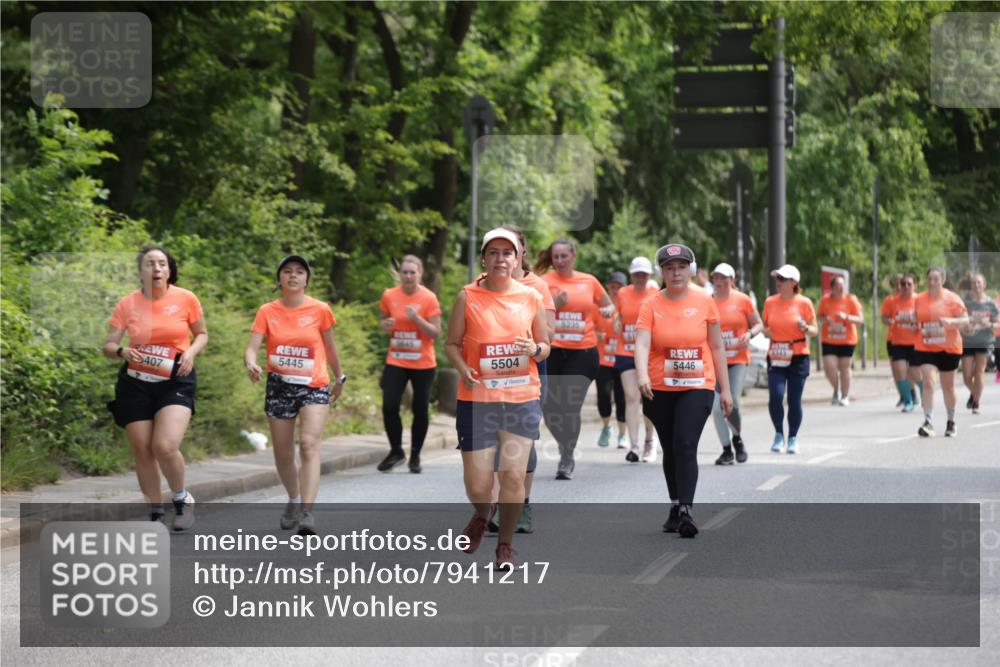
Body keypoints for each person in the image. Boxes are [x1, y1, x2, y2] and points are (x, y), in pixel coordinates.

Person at [446, 228, 550, 568]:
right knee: (478, 484)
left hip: (521, 397)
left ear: (517, 258)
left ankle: (504, 546)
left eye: (507, 253)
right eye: (494, 252)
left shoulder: (531, 297)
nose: (500, 258)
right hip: (477, 398)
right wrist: (463, 368)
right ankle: (482, 511)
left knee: (514, 477)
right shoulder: (467, 296)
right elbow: (451, 343)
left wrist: (534, 349)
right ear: (483, 258)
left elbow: (545, 346)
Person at [104, 247, 208, 530]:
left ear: (169, 270)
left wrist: (190, 353)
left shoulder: (185, 298)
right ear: (141, 271)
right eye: (151, 264)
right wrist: (123, 351)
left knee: (164, 445)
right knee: (142, 448)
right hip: (136, 383)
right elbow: (109, 345)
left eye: (162, 263)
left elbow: (201, 333)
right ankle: (155, 511)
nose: (157, 268)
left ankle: (181, 498)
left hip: (176, 378)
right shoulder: (128, 304)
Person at [635, 244, 732, 538]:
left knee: (686, 444)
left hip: (698, 384)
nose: (675, 273)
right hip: (659, 387)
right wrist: (641, 376)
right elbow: (641, 342)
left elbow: (716, 346)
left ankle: (687, 510)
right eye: (669, 268)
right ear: (661, 272)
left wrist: (725, 390)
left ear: (690, 269)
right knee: (670, 446)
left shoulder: (705, 302)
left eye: (680, 267)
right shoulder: (651, 304)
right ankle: (675, 505)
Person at [245, 255, 345, 535]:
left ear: (306, 279)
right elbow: (252, 346)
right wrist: (251, 362)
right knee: (283, 453)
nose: (293, 276)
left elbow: (330, 348)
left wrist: (340, 377)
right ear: (280, 278)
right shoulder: (267, 311)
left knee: (310, 445)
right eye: (287, 271)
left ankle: (307, 513)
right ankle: (294, 497)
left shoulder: (320, 309)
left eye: (299, 272)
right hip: (279, 386)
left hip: (314, 385)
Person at [536, 239, 615, 480]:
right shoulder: (544, 282)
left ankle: (567, 456)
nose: (559, 261)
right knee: (549, 408)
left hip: (583, 352)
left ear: (573, 256)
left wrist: (609, 311)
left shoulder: (588, 281)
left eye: (564, 256)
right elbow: (532, 313)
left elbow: (607, 304)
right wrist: (554, 305)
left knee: (570, 406)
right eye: (556, 257)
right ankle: (565, 444)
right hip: (553, 351)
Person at [377, 256, 442, 473]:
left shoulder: (429, 298)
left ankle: (415, 455)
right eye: (404, 272)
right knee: (389, 405)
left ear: (420, 274)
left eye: (412, 272)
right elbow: (383, 322)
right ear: (400, 274)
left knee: (420, 408)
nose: (408, 276)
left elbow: (435, 332)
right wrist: (385, 325)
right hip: (396, 358)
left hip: (423, 362)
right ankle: (396, 450)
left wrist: (416, 319)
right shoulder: (389, 295)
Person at [761, 264, 818, 454]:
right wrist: (768, 332)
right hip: (776, 353)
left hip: (798, 354)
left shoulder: (804, 303)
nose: (778, 282)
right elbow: (765, 327)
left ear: (794, 282)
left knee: (794, 400)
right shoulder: (770, 302)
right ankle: (778, 434)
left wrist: (806, 329)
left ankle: (793, 437)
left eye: (782, 279)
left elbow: (815, 330)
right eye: (777, 278)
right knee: (776, 396)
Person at [709, 263, 762, 465]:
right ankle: (726, 450)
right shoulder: (708, 301)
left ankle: (737, 439)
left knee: (733, 404)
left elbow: (758, 323)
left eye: (724, 278)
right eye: (716, 278)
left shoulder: (742, 300)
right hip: (715, 362)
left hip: (737, 359)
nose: (720, 282)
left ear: (732, 280)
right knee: (715, 408)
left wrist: (749, 333)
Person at [614, 257, 660, 463]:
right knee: (631, 397)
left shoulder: (656, 294)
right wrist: (616, 320)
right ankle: (633, 445)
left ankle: (650, 441)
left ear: (649, 275)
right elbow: (619, 314)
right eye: (636, 274)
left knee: (648, 398)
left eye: (644, 274)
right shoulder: (623, 293)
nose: (640, 277)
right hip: (625, 351)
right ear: (631, 275)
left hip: (649, 354)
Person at [913, 267, 968, 437]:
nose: (932, 282)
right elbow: (917, 318)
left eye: (936, 279)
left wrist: (951, 321)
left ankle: (951, 421)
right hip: (926, 346)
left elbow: (965, 320)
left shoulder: (952, 299)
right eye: (930, 279)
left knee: (948, 386)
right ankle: (928, 422)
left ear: (942, 281)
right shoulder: (920, 299)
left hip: (949, 347)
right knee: (928, 382)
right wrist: (915, 326)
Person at [818, 276, 864, 406]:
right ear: (832, 288)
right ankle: (836, 389)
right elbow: (819, 316)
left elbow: (860, 320)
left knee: (844, 367)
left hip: (847, 339)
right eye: (838, 285)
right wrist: (825, 319)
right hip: (829, 338)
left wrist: (846, 317)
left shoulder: (851, 300)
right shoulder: (825, 300)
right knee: (829, 367)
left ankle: (845, 396)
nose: (841, 288)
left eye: (843, 285)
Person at [596, 272, 628, 449]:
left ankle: (623, 434)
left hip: (622, 359)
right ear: (607, 288)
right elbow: (588, 329)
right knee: (603, 395)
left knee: (622, 397)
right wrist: (596, 335)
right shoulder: (600, 308)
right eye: (612, 286)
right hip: (603, 360)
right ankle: (607, 427)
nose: (615, 290)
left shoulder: (629, 307)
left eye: (619, 287)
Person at [881, 273, 921, 412]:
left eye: (909, 284)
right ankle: (908, 401)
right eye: (903, 284)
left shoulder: (920, 300)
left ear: (915, 286)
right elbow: (884, 318)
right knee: (900, 373)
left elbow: (927, 317)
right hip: (897, 342)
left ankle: (924, 389)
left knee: (914, 374)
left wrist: (917, 324)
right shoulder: (891, 301)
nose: (905, 287)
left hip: (915, 342)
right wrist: (889, 321)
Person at [960, 272, 997, 415]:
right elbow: (959, 319)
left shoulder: (990, 303)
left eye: (979, 283)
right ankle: (975, 393)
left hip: (985, 341)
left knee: (979, 372)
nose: (976, 286)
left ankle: (976, 402)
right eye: (973, 283)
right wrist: (965, 325)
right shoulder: (965, 303)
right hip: (967, 341)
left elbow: (998, 322)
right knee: (967, 376)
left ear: (984, 285)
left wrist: (989, 324)